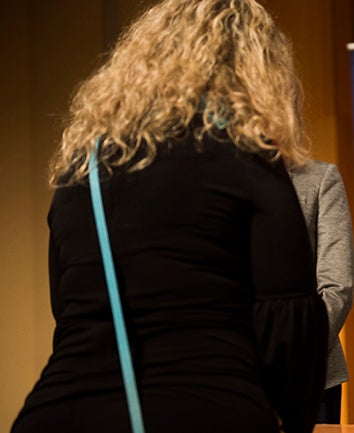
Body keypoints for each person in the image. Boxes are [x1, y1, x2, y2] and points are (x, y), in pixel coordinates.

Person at [11, 1, 327, 432]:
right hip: (207, 409)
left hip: (58, 411)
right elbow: (288, 326)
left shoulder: (83, 169)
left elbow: (67, 312)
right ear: (258, 71)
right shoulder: (248, 159)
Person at [289, 160, 354, 423]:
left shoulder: (318, 178)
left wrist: (289, 355)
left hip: (309, 376)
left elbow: (337, 288)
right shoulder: (209, 179)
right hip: (225, 374)